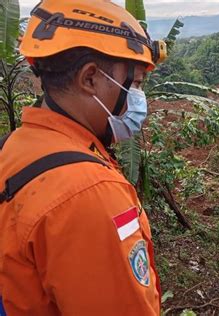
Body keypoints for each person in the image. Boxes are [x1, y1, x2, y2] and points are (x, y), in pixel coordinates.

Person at [0, 1, 165, 314]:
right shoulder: (91, 193)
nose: (140, 100)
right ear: (90, 78)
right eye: (137, 84)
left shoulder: (14, 147)